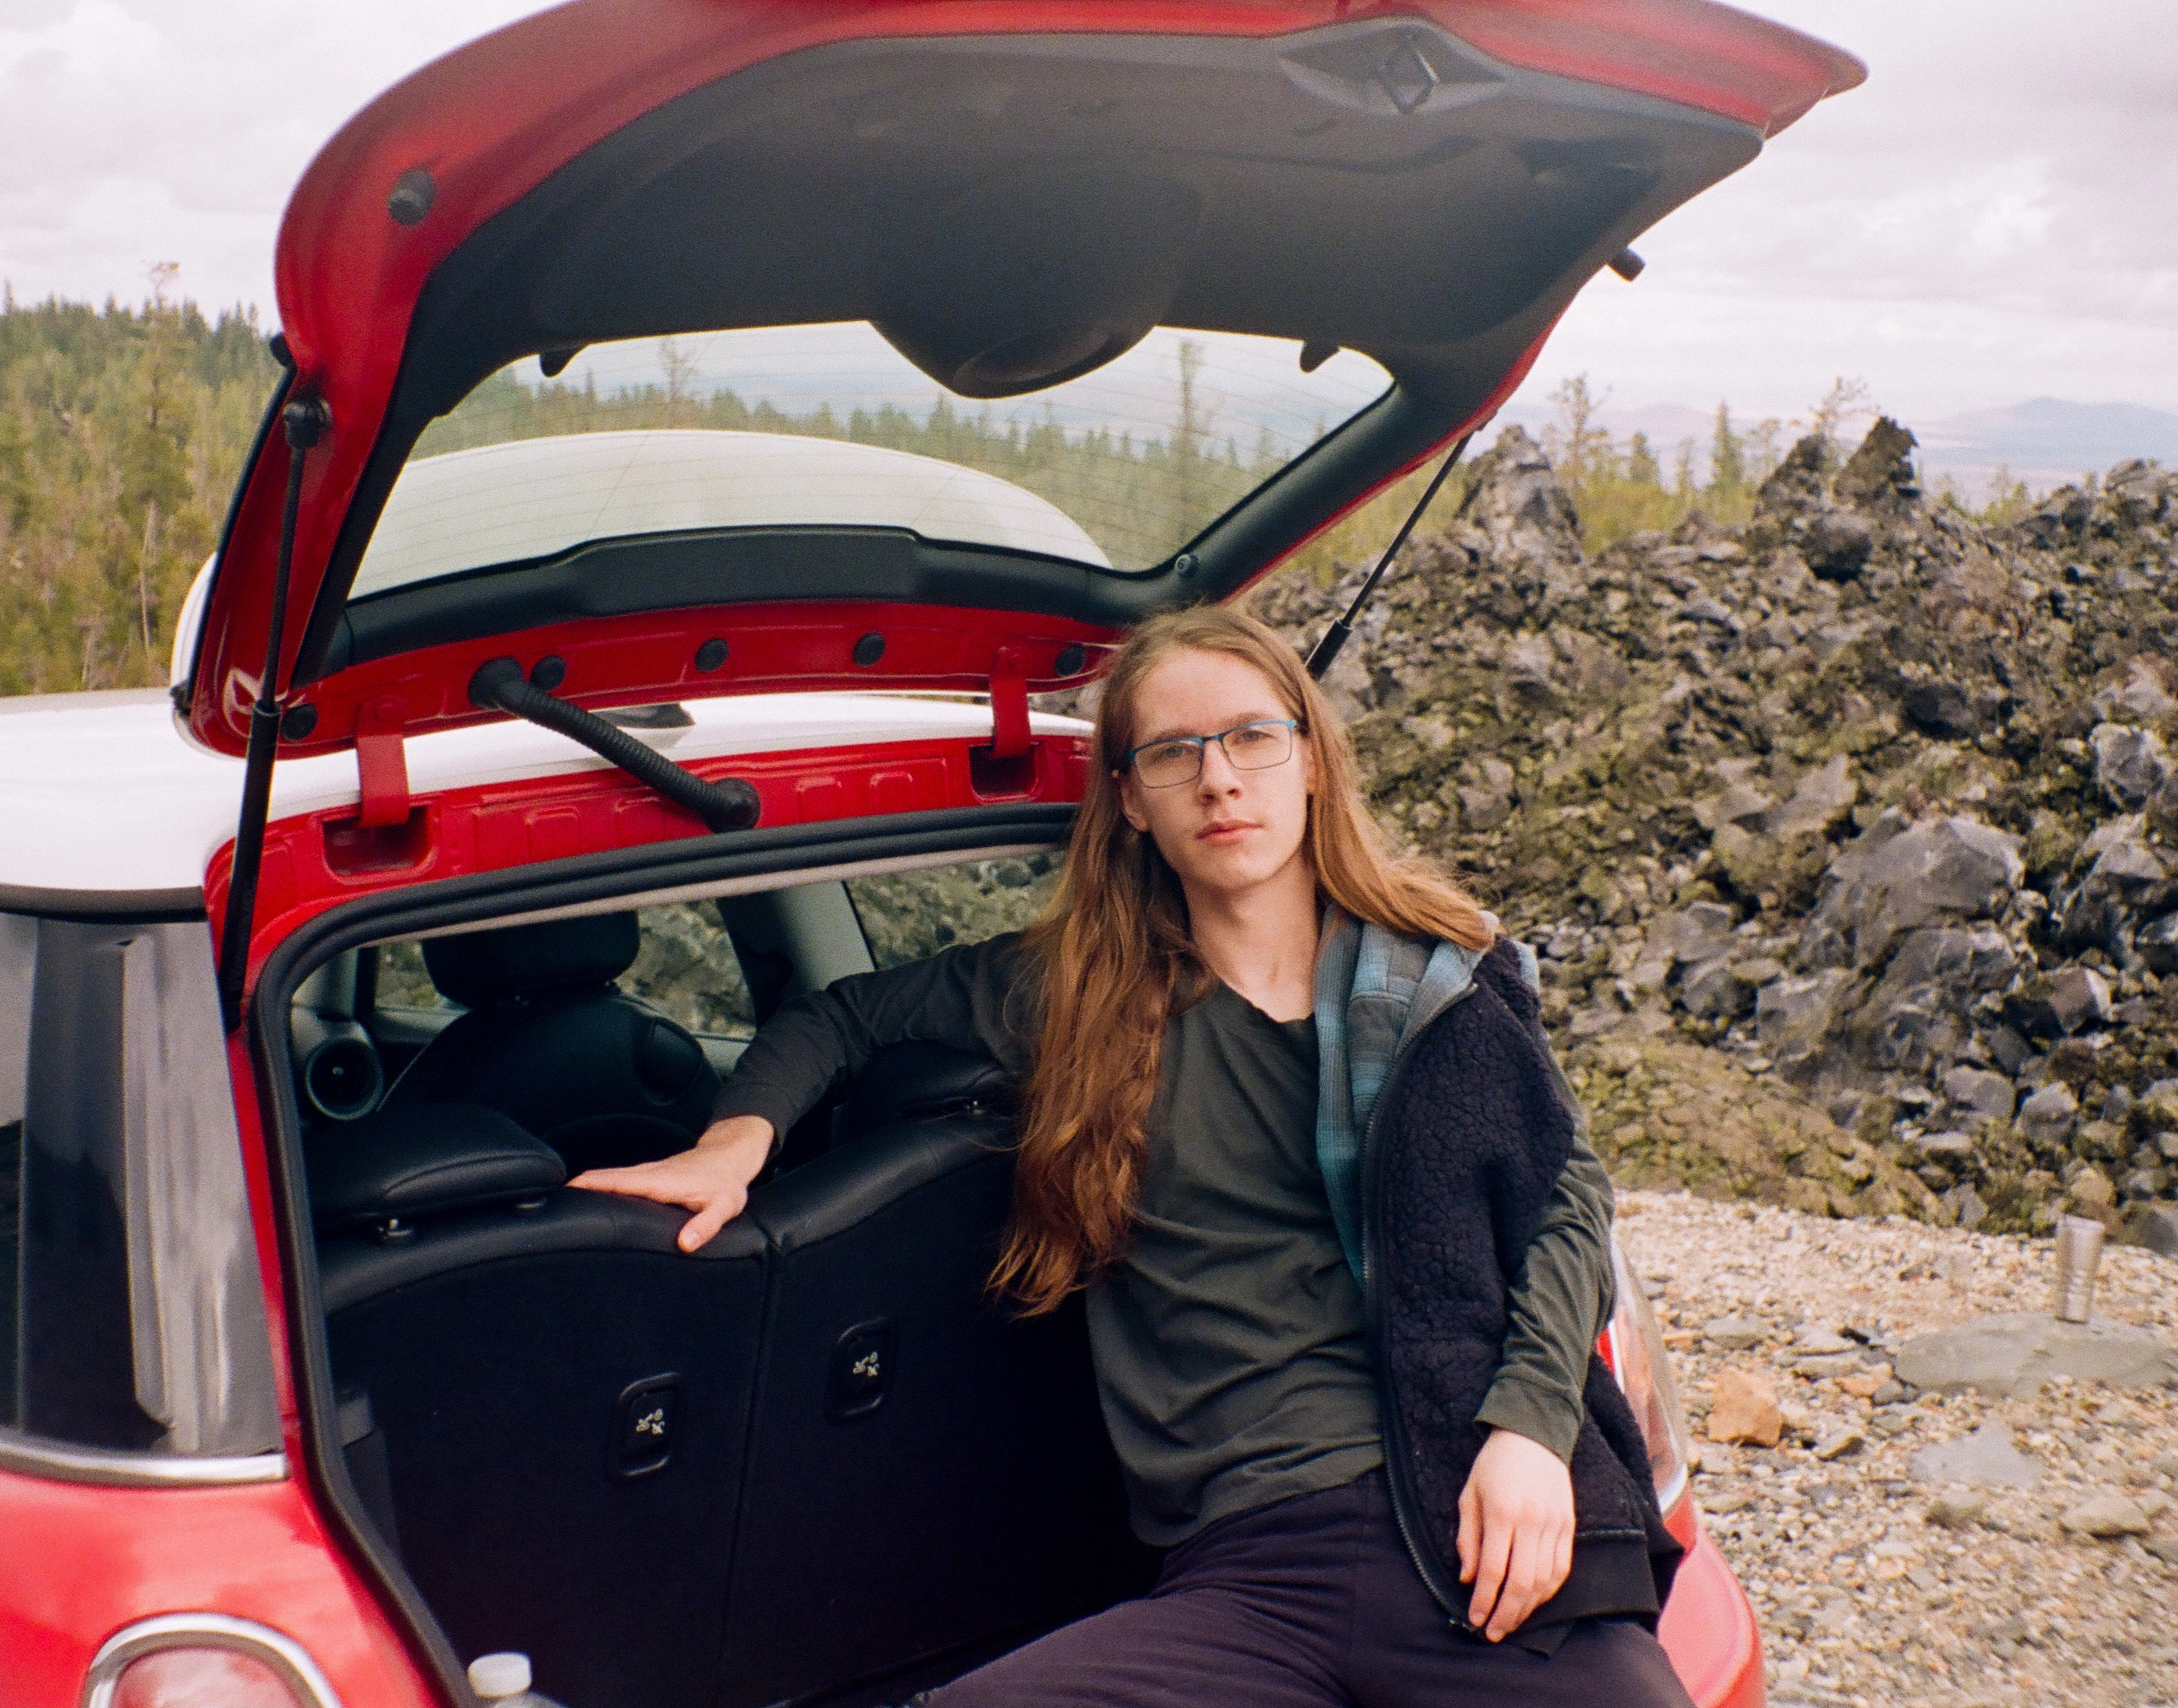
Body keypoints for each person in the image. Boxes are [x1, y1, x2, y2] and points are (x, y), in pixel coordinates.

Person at [575, 607, 1687, 1706]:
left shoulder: (1437, 984)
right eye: (1173, 752)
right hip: (1247, 1572)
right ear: (1130, 800)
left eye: (1251, 737)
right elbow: (842, 1017)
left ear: (1310, 759)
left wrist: (1530, 1430)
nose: (1219, 780)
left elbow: (1563, 1200)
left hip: (1458, 1512)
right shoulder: (1079, 995)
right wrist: (734, 1144)